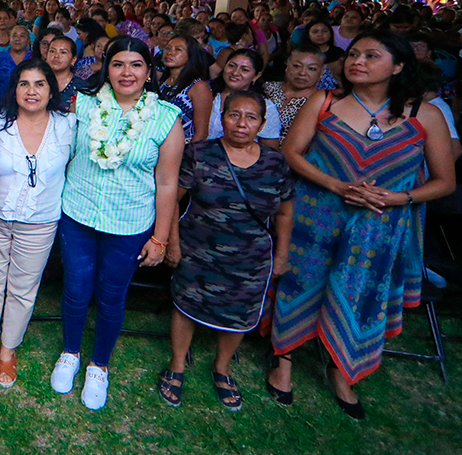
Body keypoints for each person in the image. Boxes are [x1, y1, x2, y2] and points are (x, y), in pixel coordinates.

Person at [269, 31, 455, 420]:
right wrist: (336, 184)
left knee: (359, 292)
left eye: (372, 56)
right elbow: (291, 151)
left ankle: (342, 371)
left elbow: (444, 181)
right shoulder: (325, 102)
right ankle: (283, 362)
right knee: (299, 282)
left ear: (399, 66)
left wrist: (396, 198)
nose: (358, 61)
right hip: (316, 214)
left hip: (377, 226)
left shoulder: (425, 114)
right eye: (354, 54)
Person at [52, 36, 184, 410]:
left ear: (148, 71)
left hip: (129, 224)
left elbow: (168, 183)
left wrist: (160, 238)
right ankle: (70, 352)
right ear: (105, 68)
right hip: (78, 213)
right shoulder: (85, 106)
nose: (127, 72)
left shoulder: (166, 118)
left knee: (112, 296)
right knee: (76, 289)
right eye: (118, 64)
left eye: (136, 65)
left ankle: (99, 366)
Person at [158, 91, 295, 410]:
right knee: (186, 306)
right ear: (222, 119)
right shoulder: (201, 154)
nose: (241, 123)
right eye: (234, 115)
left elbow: (285, 213)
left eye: (250, 117)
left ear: (262, 123)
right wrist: (172, 242)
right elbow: (173, 198)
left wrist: (283, 255)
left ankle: (222, 367)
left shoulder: (275, 163)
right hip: (198, 248)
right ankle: (177, 364)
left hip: (250, 256)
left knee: (239, 314)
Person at [0, 59, 74, 389]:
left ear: (50, 90)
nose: (32, 91)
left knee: (23, 289)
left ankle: (8, 349)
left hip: (41, 221)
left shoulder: (67, 125)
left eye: (40, 84)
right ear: (13, 89)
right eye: (24, 84)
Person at [207, 49, 281, 149]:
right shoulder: (207, 94)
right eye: (231, 66)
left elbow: (270, 151)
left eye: (244, 69)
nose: (235, 72)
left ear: (256, 76)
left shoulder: (265, 106)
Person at [262, 47, 325, 141]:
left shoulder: (321, 102)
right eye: (296, 66)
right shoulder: (267, 88)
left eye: (311, 69)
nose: (302, 73)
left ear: (321, 73)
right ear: (287, 67)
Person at [158, 34, 212, 142]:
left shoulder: (198, 86)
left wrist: (187, 156)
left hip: (185, 149)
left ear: (190, 55)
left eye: (178, 50)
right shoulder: (162, 82)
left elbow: (201, 133)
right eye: (168, 48)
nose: (170, 52)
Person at [0, 25, 32, 108]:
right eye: (14, 35)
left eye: (22, 36)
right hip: (1, 104)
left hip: (26, 105)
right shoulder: (0, 58)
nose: (17, 39)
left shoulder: (33, 58)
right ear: (9, 39)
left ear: (28, 40)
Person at [45, 35, 86, 112]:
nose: (56, 56)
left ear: (73, 60)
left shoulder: (82, 88)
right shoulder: (37, 82)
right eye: (52, 51)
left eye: (63, 52)